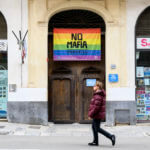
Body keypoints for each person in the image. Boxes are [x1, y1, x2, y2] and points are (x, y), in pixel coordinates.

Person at [88, 81, 116, 146]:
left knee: (97, 128)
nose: (93, 87)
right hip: (97, 114)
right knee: (93, 127)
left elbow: (96, 108)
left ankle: (111, 136)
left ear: (98, 87)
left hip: (97, 114)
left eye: (94, 86)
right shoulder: (98, 94)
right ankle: (95, 141)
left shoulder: (98, 96)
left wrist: (90, 115)